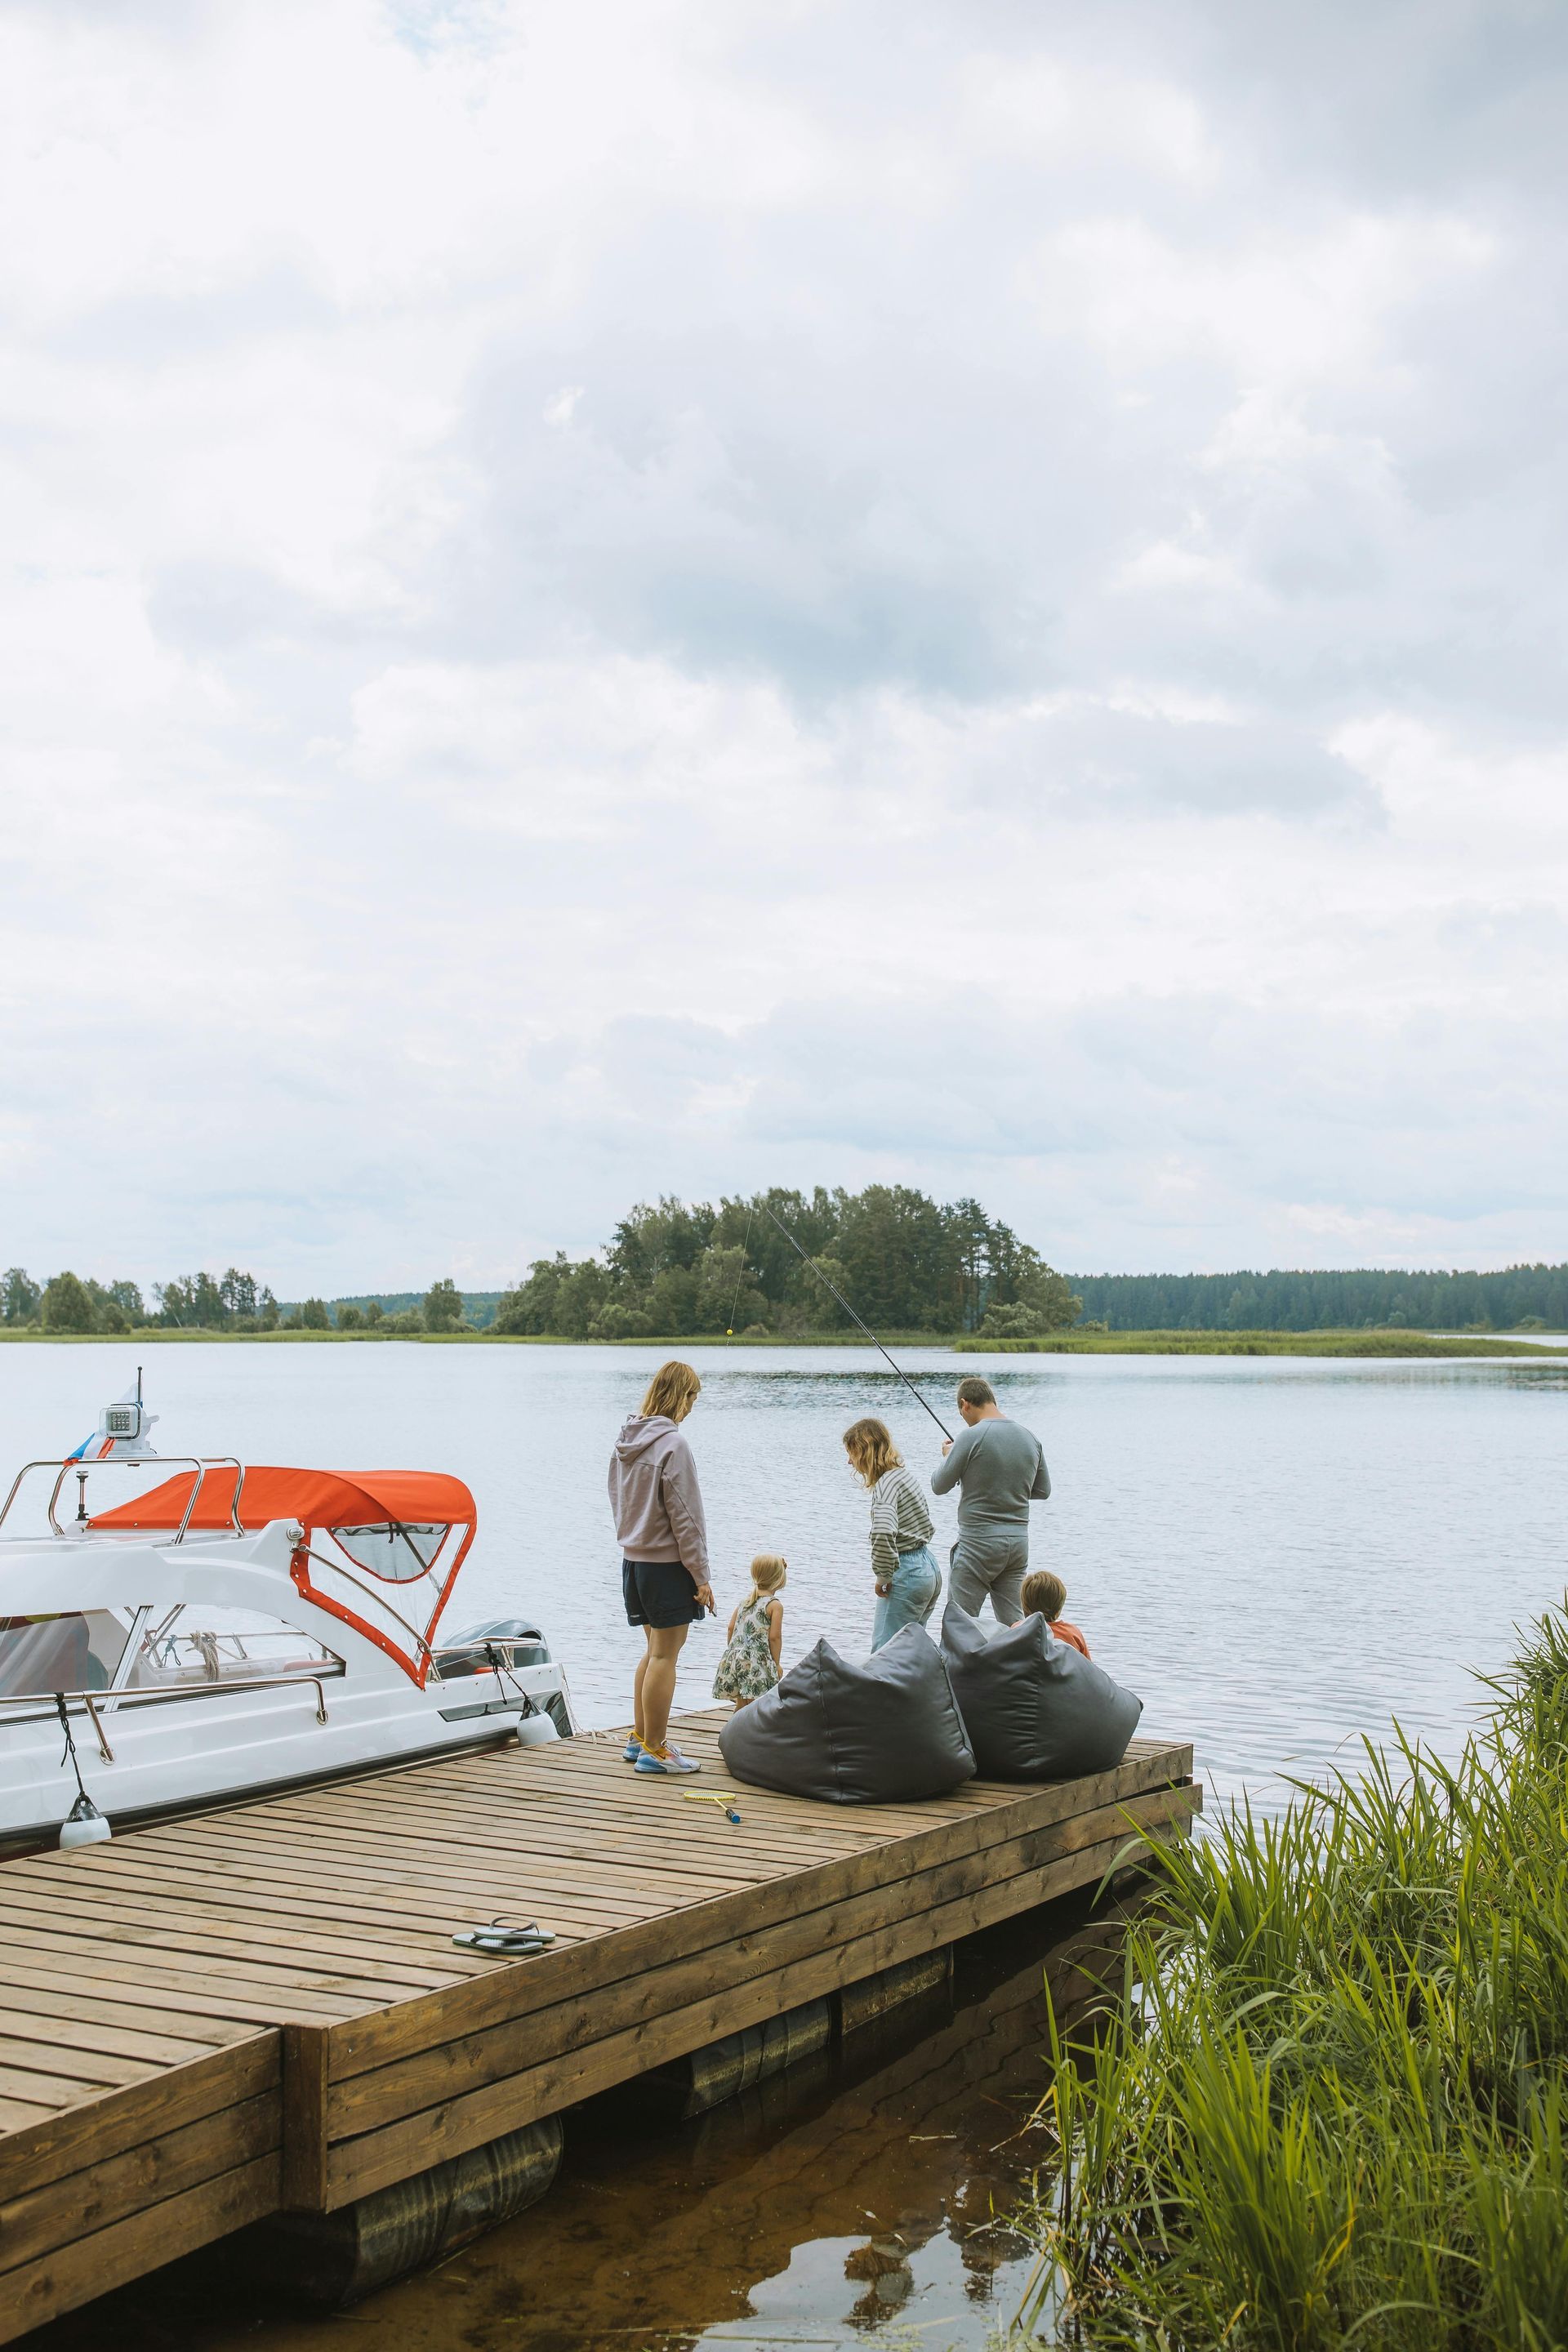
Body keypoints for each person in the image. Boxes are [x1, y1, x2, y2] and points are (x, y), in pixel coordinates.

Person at [608, 1359, 715, 1775]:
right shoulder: (674, 1445)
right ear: (680, 1395)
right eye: (691, 1398)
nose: (691, 1408)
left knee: (653, 1652)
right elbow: (687, 1517)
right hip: (666, 1566)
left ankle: (639, 1739)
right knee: (666, 1657)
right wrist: (701, 1576)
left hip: (633, 1563)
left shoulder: (626, 1440)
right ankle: (656, 1749)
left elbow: (618, 1500)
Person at [929, 1375, 1049, 1627]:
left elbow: (939, 1485)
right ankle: (1021, 1664)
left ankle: (960, 1667)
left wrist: (948, 1456)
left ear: (965, 1404)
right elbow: (1042, 1490)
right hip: (1017, 1545)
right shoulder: (1030, 1438)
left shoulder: (969, 1437)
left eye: (962, 1413)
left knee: (961, 1626)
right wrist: (1004, 1486)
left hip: (977, 1545)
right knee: (1014, 1626)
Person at [843, 1415, 941, 1649]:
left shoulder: (885, 1485)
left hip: (907, 1571)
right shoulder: (904, 1476)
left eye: (851, 1453)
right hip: (928, 1567)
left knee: (885, 1653)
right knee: (911, 1650)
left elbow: (883, 1533)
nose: (849, 1462)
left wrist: (884, 1576)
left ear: (864, 1451)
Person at [713, 1554, 786, 1705]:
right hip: (757, 1663)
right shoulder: (774, 1605)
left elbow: (730, 1628)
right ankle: (756, 1729)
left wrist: (734, 1652)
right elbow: (774, 1637)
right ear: (780, 1578)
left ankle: (733, 1729)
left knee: (741, 1705)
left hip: (736, 1658)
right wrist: (776, 1664)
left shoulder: (745, 1602)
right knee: (758, 1705)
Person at [1020, 1568, 1091, 1657]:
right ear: (1058, 1609)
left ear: (1025, 1606)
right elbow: (1089, 1668)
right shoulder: (1072, 1634)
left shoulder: (1017, 1629)